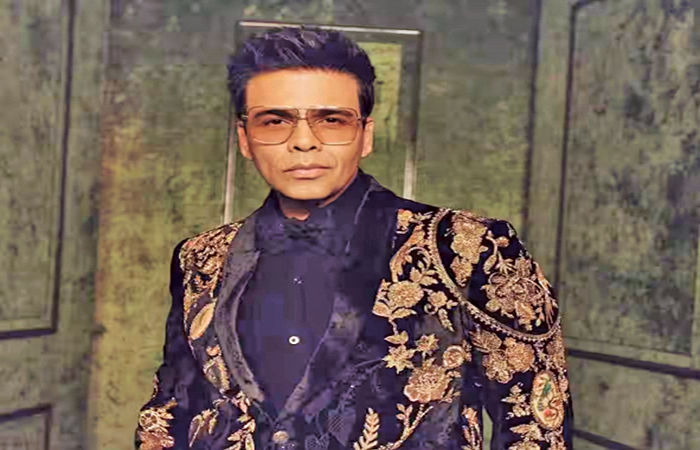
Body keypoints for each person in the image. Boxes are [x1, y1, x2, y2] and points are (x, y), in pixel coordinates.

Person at [135, 26, 573, 450]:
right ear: (245, 138)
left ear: (365, 135)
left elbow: (538, 431)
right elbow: (169, 413)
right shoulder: (200, 257)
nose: (303, 142)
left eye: (331, 120)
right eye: (274, 121)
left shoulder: (470, 247)